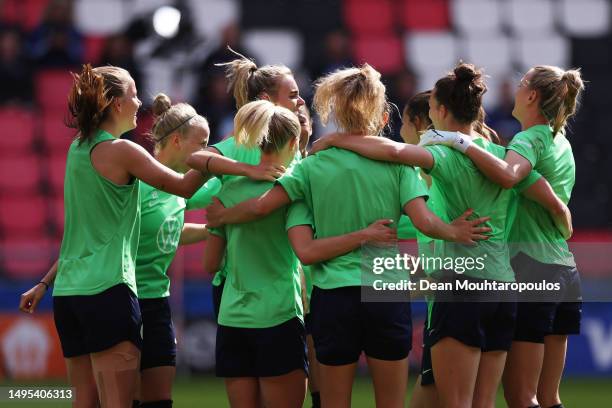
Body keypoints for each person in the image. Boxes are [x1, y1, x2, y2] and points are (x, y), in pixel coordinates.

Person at [204, 64, 492, 408]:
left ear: (335, 109)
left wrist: (222, 216)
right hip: (386, 291)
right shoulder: (398, 165)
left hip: (334, 296)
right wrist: (454, 231)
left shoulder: (310, 166)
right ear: (379, 112)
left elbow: (264, 206)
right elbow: (424, 221)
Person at [309, 63, 573, 408]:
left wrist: (334, 139)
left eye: (432, 106)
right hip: (502, 288)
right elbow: (551, 200)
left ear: (442, 110)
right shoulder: (503, 156)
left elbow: (393, 152)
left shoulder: (443, 155)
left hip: (461, 285)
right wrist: (564, 222)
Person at [19, 63, 282, 408]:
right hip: (107, 289)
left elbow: (83, 235)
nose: (139, 102)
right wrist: (241, 162)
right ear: (115, 105)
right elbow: (187, 186)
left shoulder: (77, 149)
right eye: (132, 94)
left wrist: (43, 284)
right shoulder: (123, 152)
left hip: (69, 295)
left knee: (85, 402)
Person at [419, 65, 585, 408]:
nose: (515, 87)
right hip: (562, 270)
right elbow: (538, 189)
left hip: (531, 268)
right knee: (548, 396)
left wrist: (458, 140)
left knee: (522, 396)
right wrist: (558, 209)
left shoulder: (528, 139)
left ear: (532, 95)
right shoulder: (562, 143)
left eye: (522, 82)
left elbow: (509, 175)